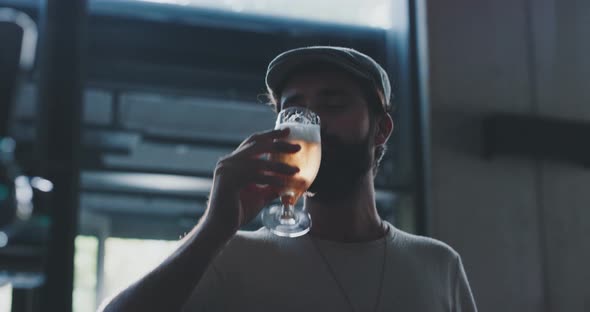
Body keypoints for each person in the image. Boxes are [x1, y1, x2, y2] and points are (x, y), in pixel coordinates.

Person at [100, 46, 477, 312]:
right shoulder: (230, 255)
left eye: (333, 104)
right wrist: (213, 228)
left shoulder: (437, 265)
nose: (310, 125)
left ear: (380, 129)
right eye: (293, 112)